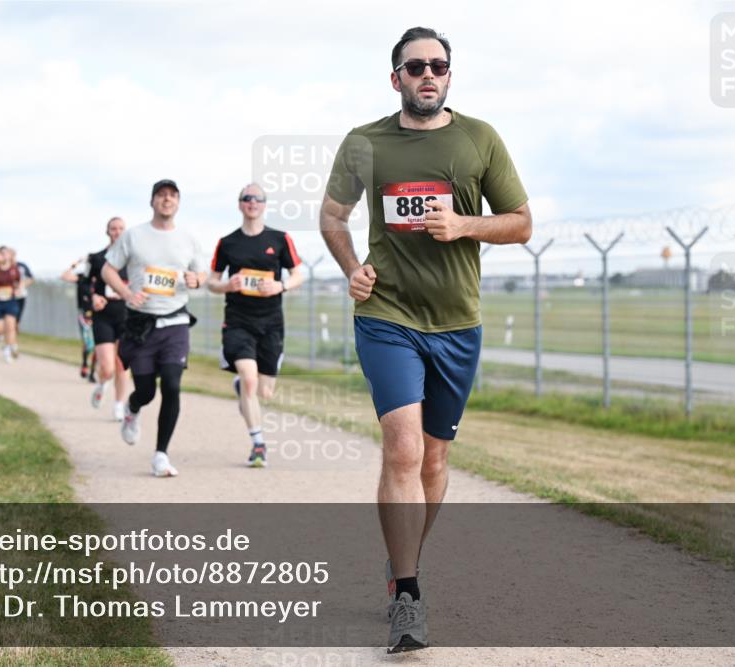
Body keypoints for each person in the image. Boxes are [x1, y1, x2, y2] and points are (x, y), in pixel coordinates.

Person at [319, 27, 532, 653]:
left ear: (449, 75)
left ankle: (401, 558)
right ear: (396, 79)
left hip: (457, 323)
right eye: (415, 67)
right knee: (404, 451)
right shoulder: (365, 143)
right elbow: (332, 215)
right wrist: (351, 267)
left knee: (435, 462)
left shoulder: (480, 139)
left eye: (438, 66)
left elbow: (522, 224)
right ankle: (408, 597)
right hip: (387, 316)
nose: (427, 75)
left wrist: (464, 224)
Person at [102, 179, 206, 477]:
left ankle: (161, 454)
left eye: (173, 195)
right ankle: (132, 411)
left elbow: (202, 273)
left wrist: (197, 280)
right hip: (141, 323)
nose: (167, 200)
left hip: (175, 321)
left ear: (178, 203)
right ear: (152, 202)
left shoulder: (188, 238)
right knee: (146, 391)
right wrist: (126, 293)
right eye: (161, 195)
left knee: (172, 385)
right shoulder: (134, 236)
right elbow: (108, 269)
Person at [207, 184, 304, 467]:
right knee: (250, 380)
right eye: (247, 198)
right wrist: (226, 285)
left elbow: (298, 274)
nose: (252, 202)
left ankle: (243, 387)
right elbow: (211, 282)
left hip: (271, 323)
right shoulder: (227, 243)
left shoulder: (280, 238)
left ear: (264, 205)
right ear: (240, 205)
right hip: (238, 320)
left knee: (265, 392)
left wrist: (280, 286)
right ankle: (258, 443)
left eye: (257, 199)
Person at [85, 217, 132, 421]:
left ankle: (119, 404)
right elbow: (84, 284)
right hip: (103, 316)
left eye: (121, 228)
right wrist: (93, 297)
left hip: (127, 317)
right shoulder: (96, 258)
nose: (117, 231)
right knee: (107, 366)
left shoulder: (134, 259)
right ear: (107, 231)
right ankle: (102, 383)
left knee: (123, 364)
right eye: (113, 228)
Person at [61, 256, 98, 381]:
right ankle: (84, 364)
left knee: (98, 345)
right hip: (85, 315)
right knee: (88, 344)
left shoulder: (102, 278)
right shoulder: (82, 278)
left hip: (99, 315)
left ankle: (93, 372)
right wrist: (75, 264)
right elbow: (64, 276)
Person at [0, 246, 21, 364]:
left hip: (10, 301)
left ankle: (7, 351)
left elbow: (19, 282)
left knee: (10, 327)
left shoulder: (14, 269)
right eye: (2, 253)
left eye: (7, 253)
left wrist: (17, 290)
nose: (4, 256)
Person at [11, 248, 33, 343]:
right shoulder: (4, 267)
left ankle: (13, 342)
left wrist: (22, 285)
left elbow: (31, 279)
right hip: (8, 297)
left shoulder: (22, 266)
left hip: (20, 296)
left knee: (16, 322)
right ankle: (11, 342)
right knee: (10, 321)